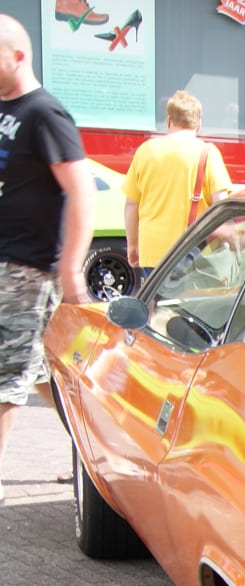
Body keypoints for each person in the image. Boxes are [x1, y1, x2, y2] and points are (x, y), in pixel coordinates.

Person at [0, 15, 95, 502]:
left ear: (17, 55)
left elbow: (81, 191)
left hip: (27, 268)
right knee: (38, 373)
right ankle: (89, 451)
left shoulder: (44, 113)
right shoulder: (6, 109)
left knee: (7, 375)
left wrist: (70, 265)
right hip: (6, 263)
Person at [122, 90, 232, 275]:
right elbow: (221, 203)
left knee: (156, 304)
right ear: (198, 125)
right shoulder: (207, 153)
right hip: (192, 251)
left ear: (169, 121)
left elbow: (132, 204)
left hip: (153, 251)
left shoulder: (146, 151)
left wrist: (133, 245)